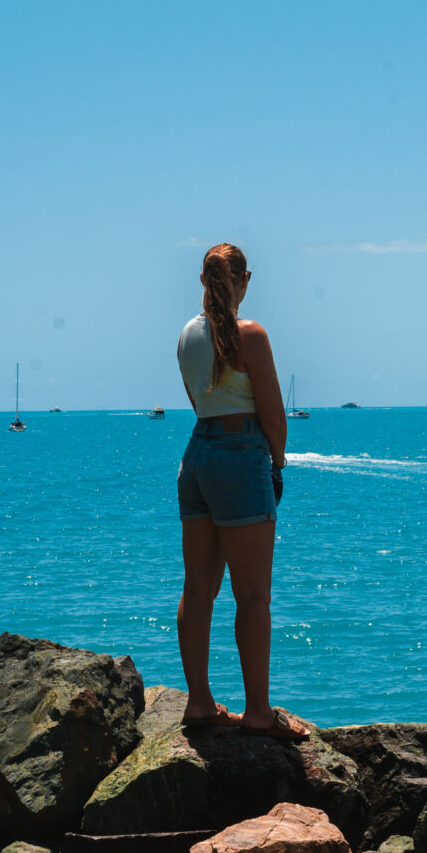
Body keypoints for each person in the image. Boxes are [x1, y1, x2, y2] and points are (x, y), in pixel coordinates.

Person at [173, 242, 308, 740]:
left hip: (197, 457)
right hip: (240, 454)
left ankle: (200, 703)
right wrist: (276, 464)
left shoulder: (187, 335)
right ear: (243, 280)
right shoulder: (252, 335)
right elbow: (273, 416)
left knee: (198, 589)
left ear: (204, 281)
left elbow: (196, 402)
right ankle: (258, 713)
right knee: (252, 595)